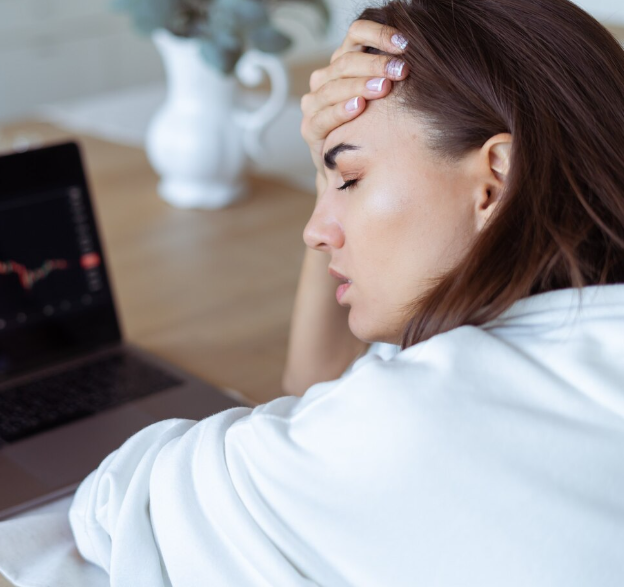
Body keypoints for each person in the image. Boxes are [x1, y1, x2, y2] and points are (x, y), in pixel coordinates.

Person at [68, 0, 624, 584]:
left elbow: (121, 507)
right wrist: (333, 170)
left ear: (496, 178)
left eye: (353, 179)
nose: (314, 232)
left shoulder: (422, 420)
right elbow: (323, 385)